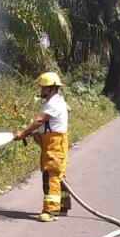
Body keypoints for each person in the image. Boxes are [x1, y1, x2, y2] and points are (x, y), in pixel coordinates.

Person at [13, 72, 72, 223]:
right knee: (58, 175)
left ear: (52, 89)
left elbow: (40, 121)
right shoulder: (54, 102)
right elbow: (44, 125)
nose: (41, 90)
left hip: (55, 142)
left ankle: (51, 211)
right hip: (52, 142)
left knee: (51, 175)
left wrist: (23, 133)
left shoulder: (54, 103)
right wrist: (35, 136)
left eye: (43, 87)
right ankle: (62, 206)